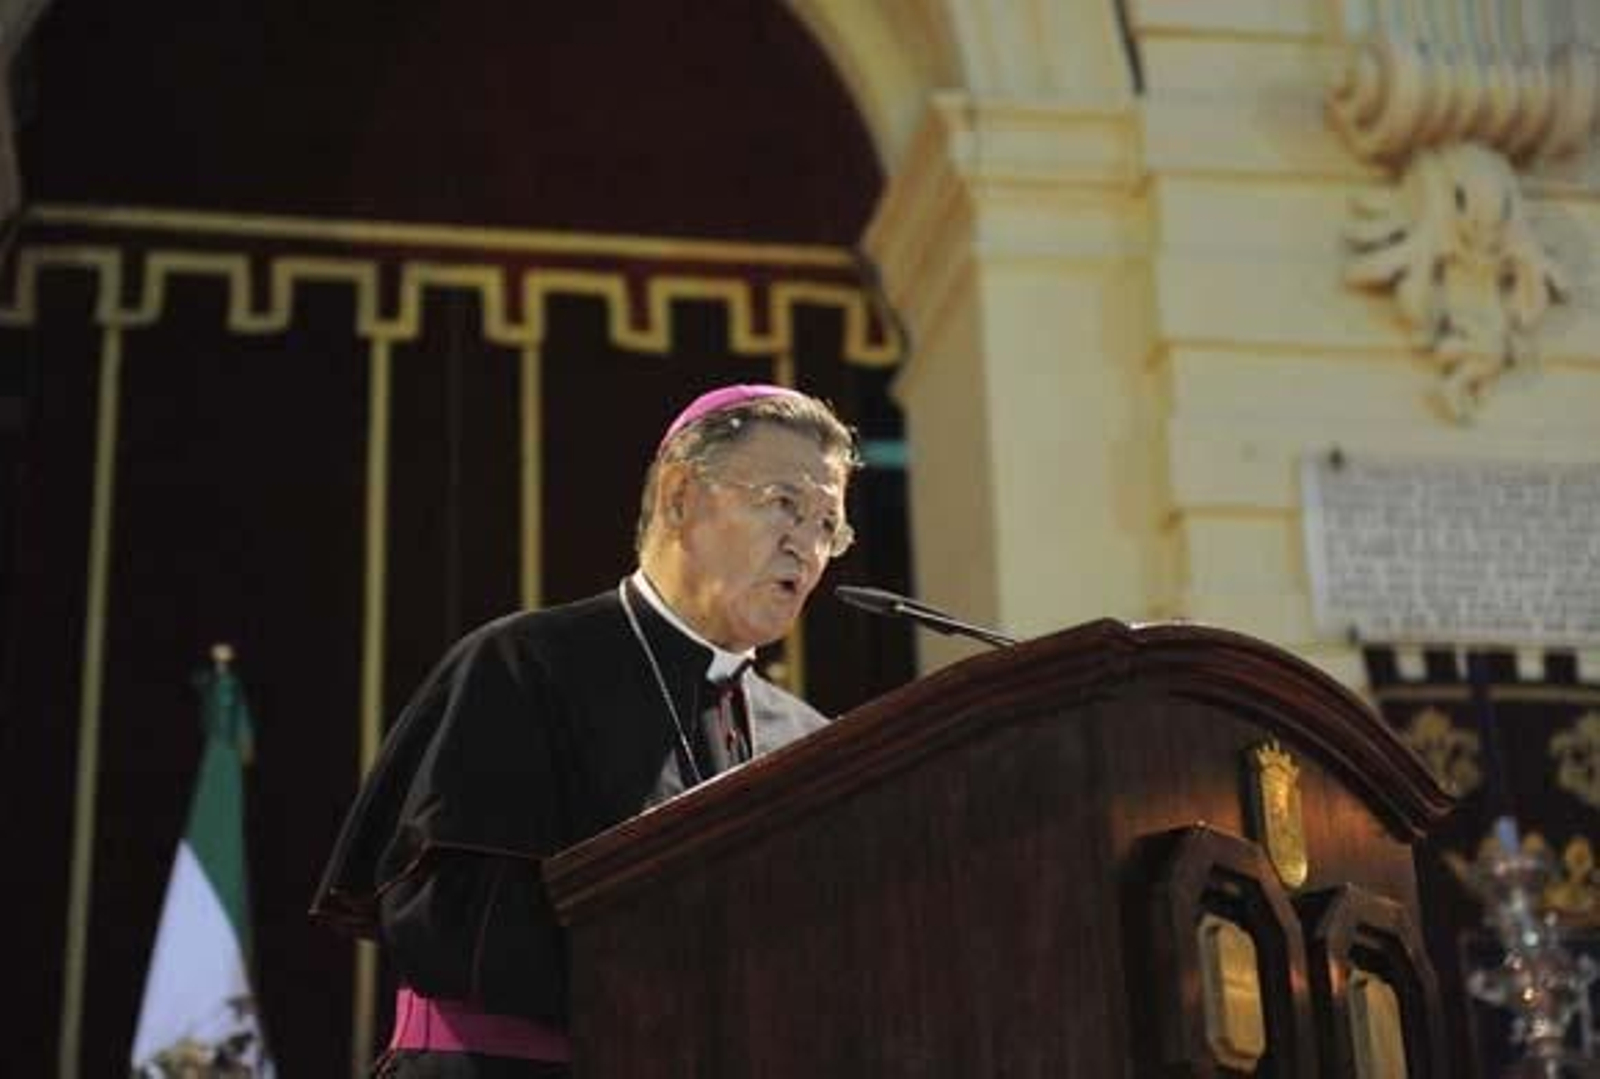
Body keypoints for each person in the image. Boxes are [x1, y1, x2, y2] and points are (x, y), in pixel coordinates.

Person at [311, 384, 859, 1078]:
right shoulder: (521, 665)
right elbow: (452, 929)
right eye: (784, 502)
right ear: (680, 496)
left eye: (826, 525)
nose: (804, 545)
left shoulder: (812, 740)